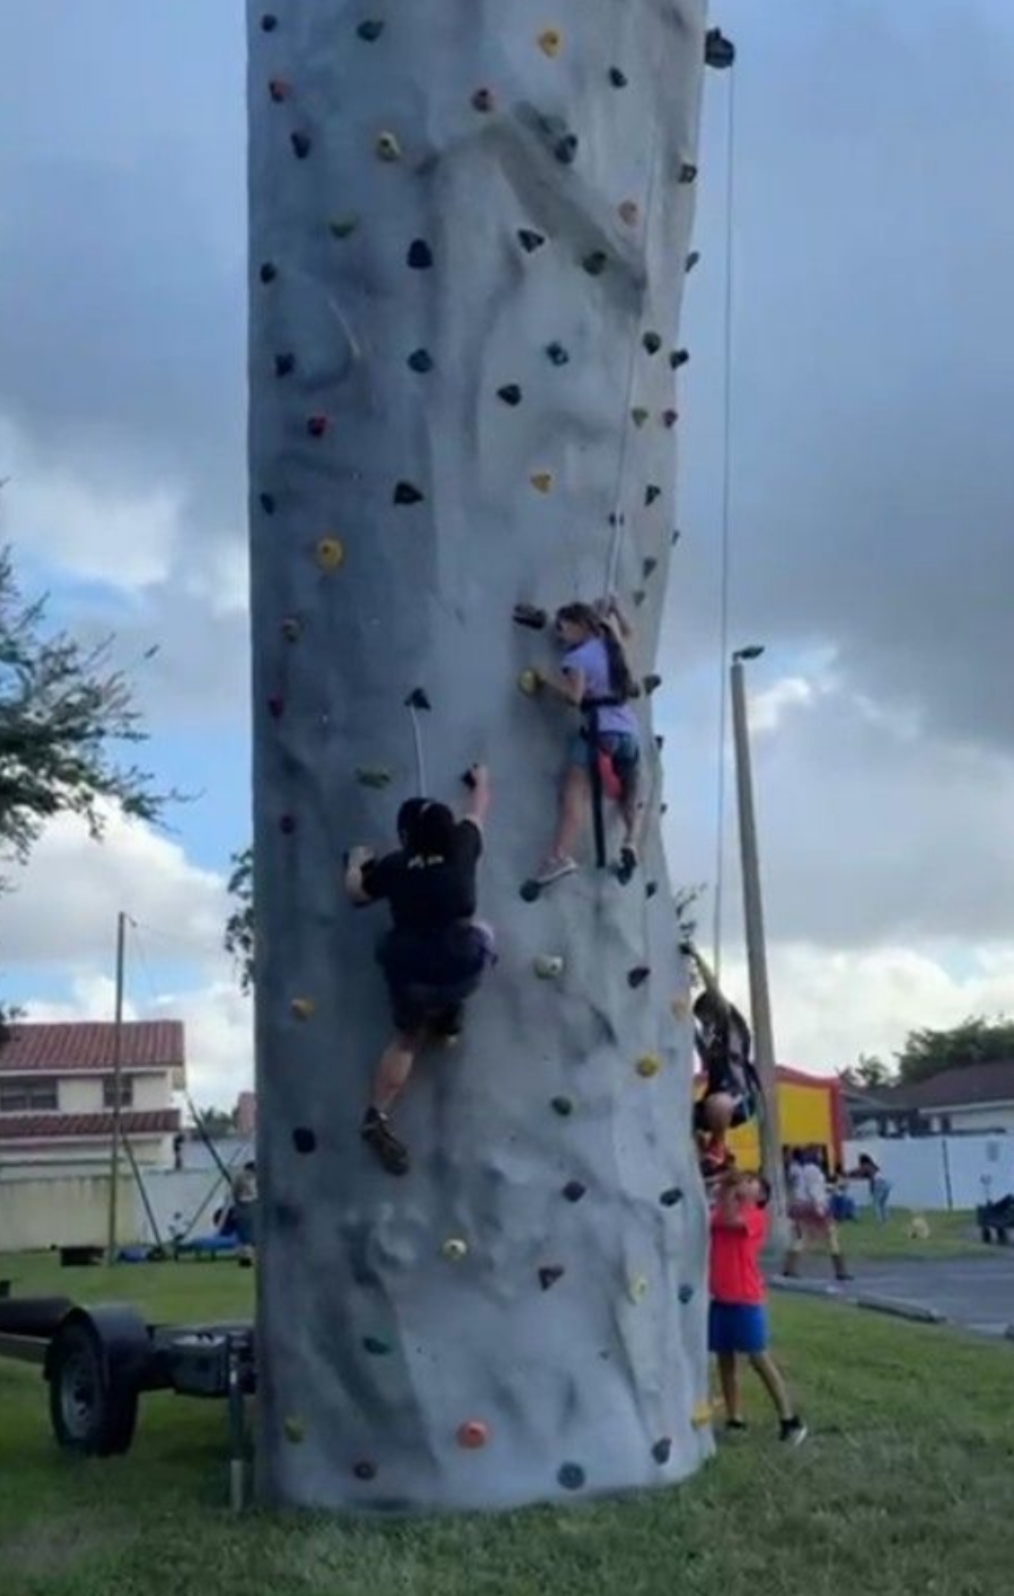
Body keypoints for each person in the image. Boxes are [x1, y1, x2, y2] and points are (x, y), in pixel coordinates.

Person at [346, 764, 494, 1176]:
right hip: (458, 965)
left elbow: (356, 894)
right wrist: (480, 780)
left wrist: (357, 862)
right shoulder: (462, 846)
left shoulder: (395, 865)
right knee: (482, 933)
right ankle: (450, 1011)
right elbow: (477, 810)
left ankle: (377, 1113)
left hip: (409, 970)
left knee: (407, 1039)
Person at [530, 596, 642, 886]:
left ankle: (560, 855)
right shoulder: (612, 645)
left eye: (562, 627)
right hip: (629, 732)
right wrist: (616, 609)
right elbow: (629, 633)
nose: (559, 633)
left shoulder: (576, 658)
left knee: (574, 791)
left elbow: (574, 696)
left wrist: (546, 678)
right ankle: (630, 840)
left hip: (599, 731)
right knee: (629, 789)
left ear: (580, 625)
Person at [709, 1168, 807, 1444]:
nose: (744, 1182)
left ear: (760, 1195)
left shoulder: (755, 1217)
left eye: (751, 1182)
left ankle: (789, 1420)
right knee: (724, 1360)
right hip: (720, 1299)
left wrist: (727, 1185)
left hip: (746, 1298)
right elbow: (718, 1217)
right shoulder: (720, 1212)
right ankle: (734, 1418)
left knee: (758, 1358)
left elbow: (730, 1220)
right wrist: (725, 1187)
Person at [683, 941, 760, 1178]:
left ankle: (718, 1145)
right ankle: (704, 1153)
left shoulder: (730, 1026)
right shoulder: (706, 1039)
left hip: (739, 1098)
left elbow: (714, 990)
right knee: (681, 1114)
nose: (704, 1026)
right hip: (713, 1101)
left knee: (718, 1102)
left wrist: (697, 957)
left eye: (705, 1019)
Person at [783, 1145, 851, 1282]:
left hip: (799, 1205)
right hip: (812, 1206)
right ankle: (840, 1271)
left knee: (803, 1237)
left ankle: (790, 1267)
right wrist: (821, 1206)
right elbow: (815, 1191)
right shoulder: (813, 1171)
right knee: (831, 1236)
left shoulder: (797, 1170)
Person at [850, 1152, 893, 1222]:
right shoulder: (874, 1166)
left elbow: (858, 1173)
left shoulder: (866, 1166)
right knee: (883, 1203)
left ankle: (879, 1220)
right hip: (887, 1183)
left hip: (879, 1183)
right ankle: (886, 1219)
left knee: (876, 1203)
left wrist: (847, 1175)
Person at [231, 1160, 257, 1267]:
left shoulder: (241, 1178)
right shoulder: (244, 1179)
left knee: (245, 1237)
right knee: (247, 1237)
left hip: (245, 1209)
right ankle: (246, 1259)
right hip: (245, 1209)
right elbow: (241, 1195)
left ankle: (245, 1258)